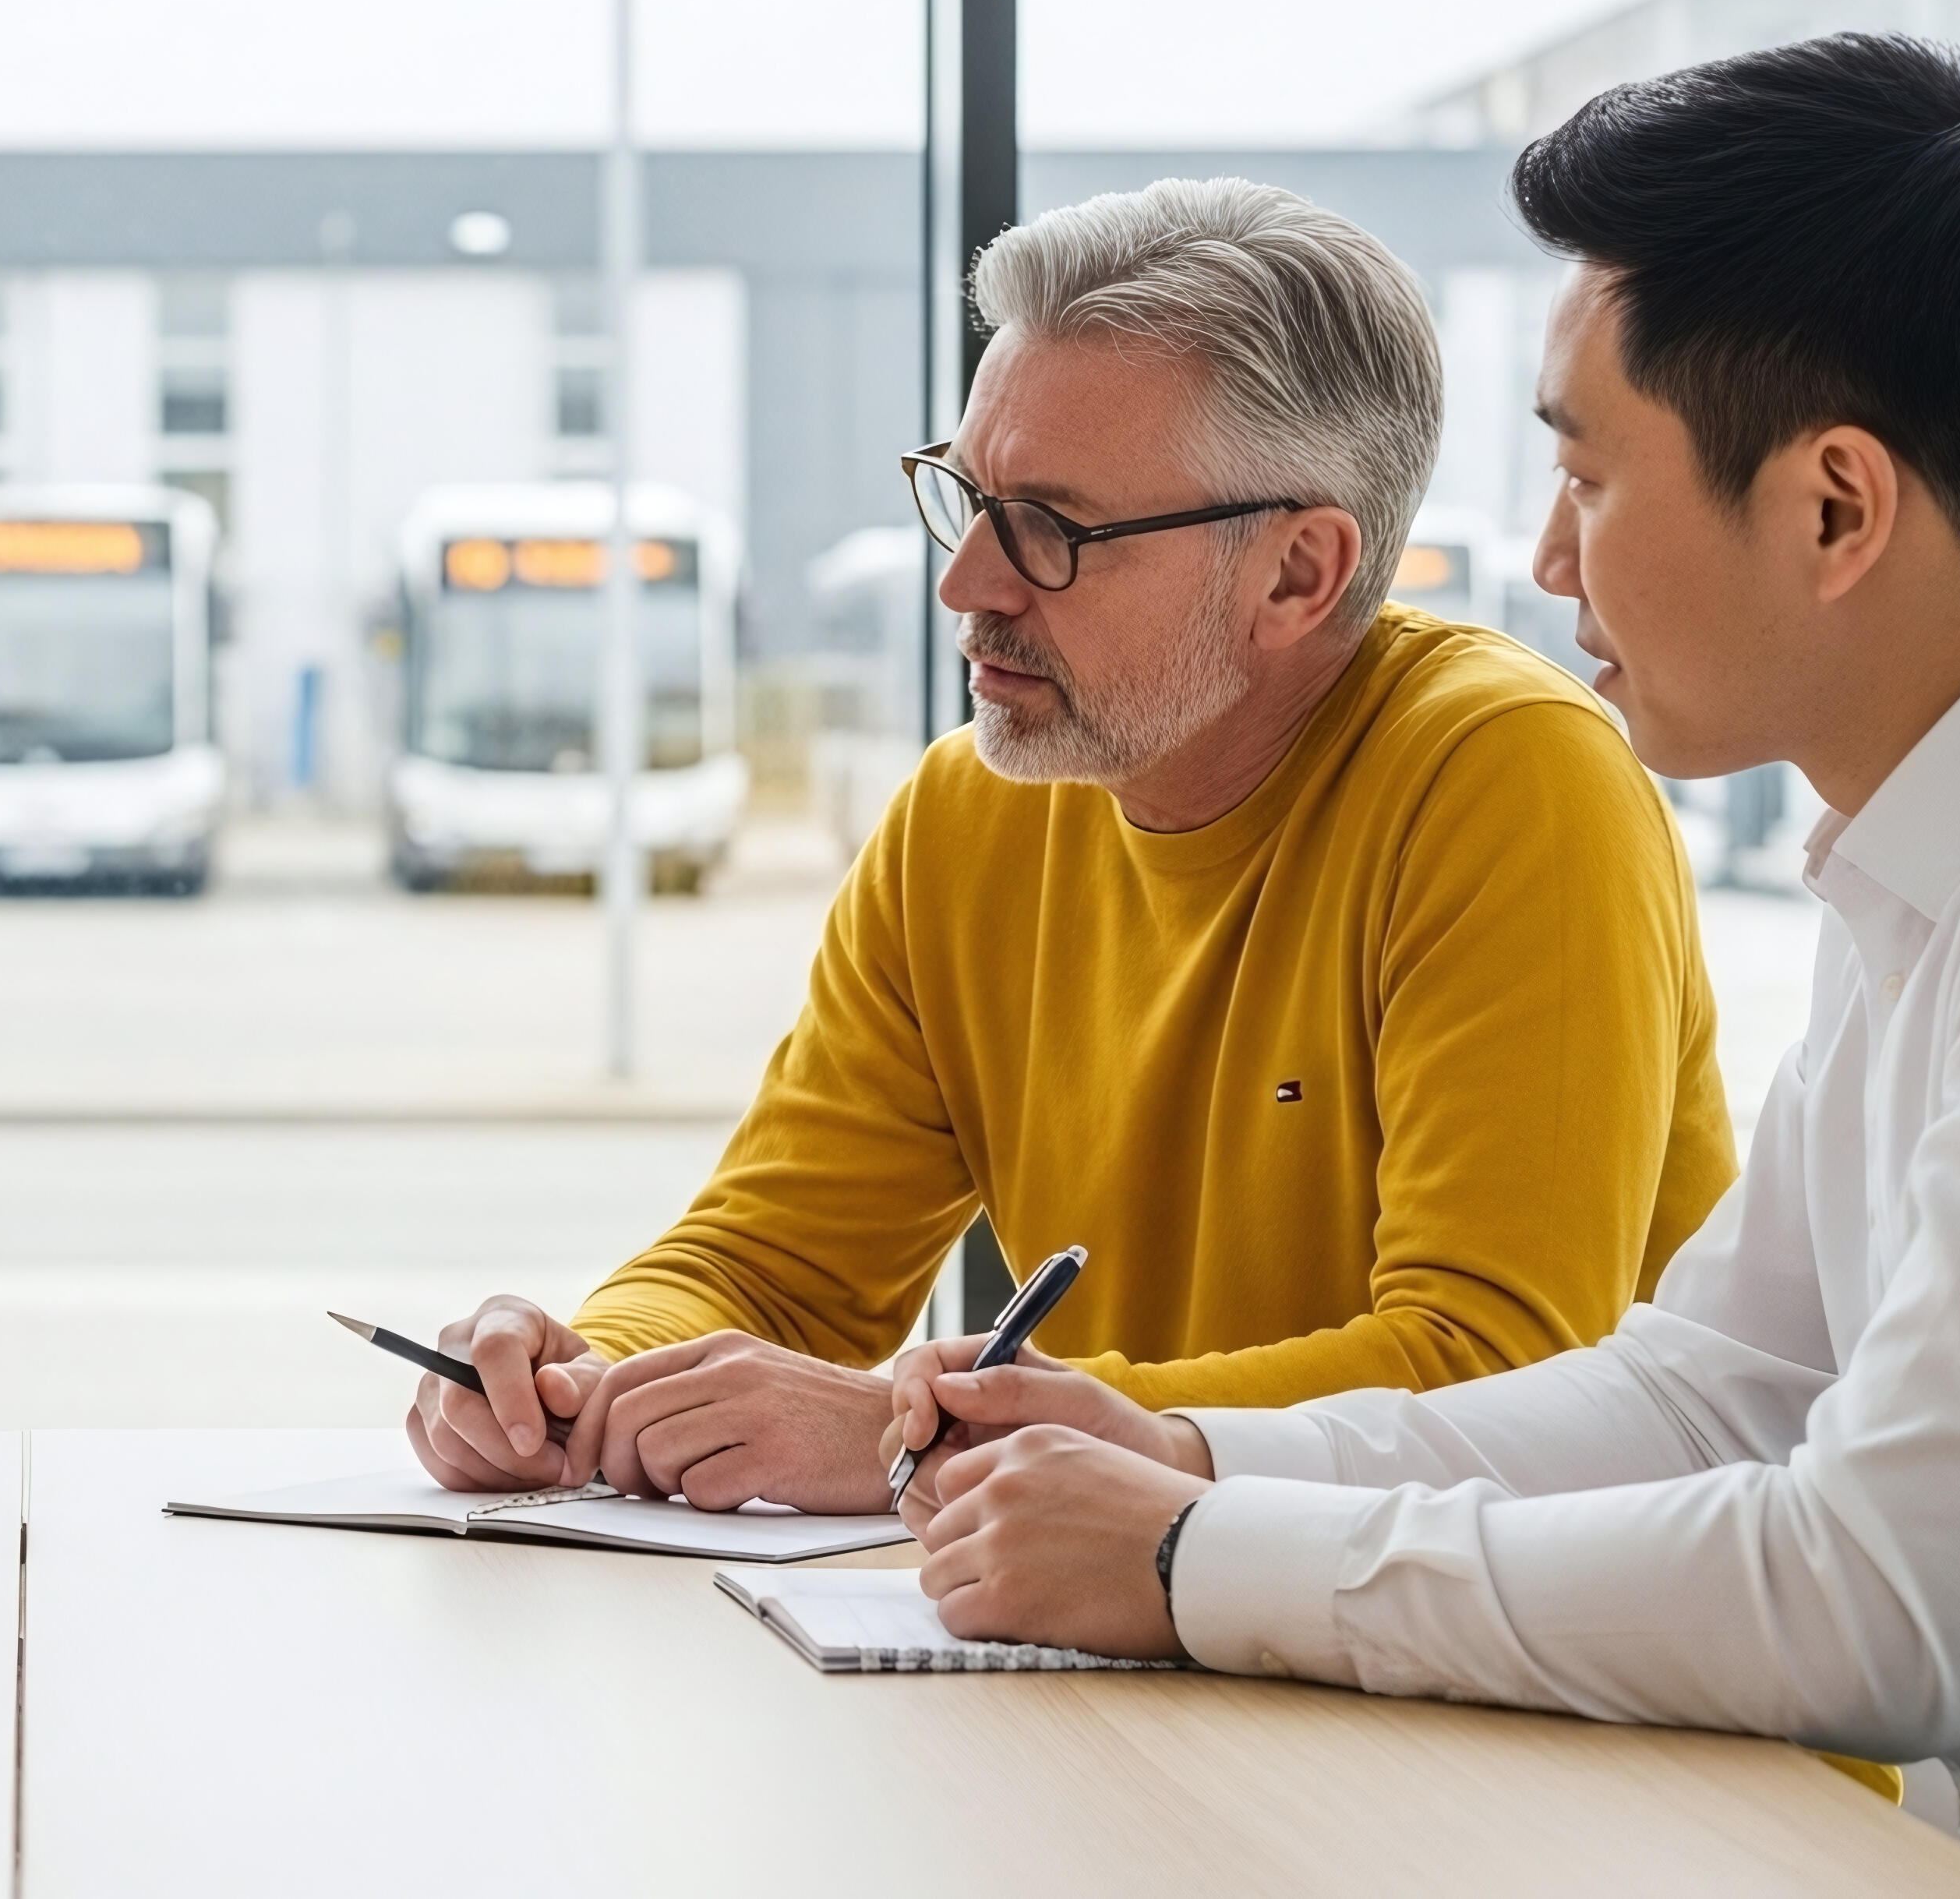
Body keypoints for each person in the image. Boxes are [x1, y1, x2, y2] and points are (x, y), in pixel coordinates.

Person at [889, 37, 1960, 1896]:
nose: (1549, 559)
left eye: (1587, 476)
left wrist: (1179, 1561)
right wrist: (1186, 1455)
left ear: (1832, 508)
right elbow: (1713, 1387)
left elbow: (1888, 1606)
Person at [390, 179, 1732, 1515]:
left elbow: (1495, 1375)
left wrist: (916, 1442)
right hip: (1201, 1643)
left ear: (1298, 576)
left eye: (1050, 526)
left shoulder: (1509, 776)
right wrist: (582, 1376)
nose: (967, 582)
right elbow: (772, 1265)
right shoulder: (970, 811)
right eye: (966, 497)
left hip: (1583, 1690)